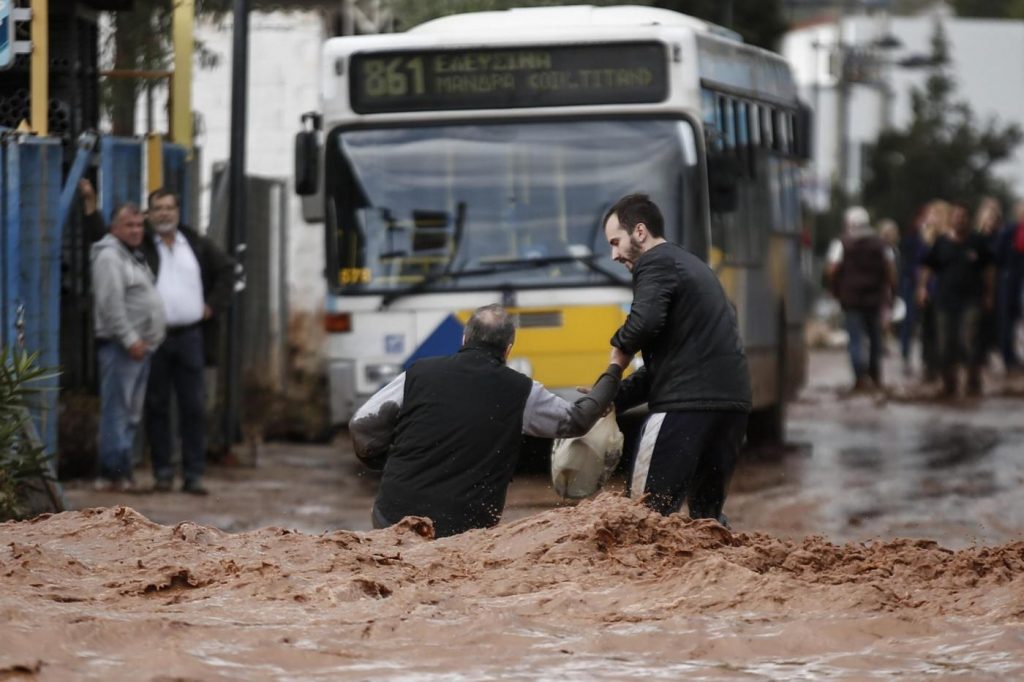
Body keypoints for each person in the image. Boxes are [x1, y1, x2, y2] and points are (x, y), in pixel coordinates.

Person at [349, 304, 627, 538]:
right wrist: (613, 371)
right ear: (508, 349)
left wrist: (383, 464)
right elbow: (576, 421)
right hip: (466, 529)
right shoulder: (521, 391)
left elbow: (361, 426)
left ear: (464, 339)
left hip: (391, 518)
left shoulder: (418, 373)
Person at [603, 193, 750, 525]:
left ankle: (639, 579)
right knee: (706, 521)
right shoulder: (692, 266)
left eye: (615, 242)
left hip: (685, 407)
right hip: (731, 406)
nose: (613, 255)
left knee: (642, 519)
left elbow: (645, 322)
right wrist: (614, 398)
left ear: (639, 232)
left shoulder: (654, 262)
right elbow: (669, 364)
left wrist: (617, 353)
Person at [141, 188, 234, 495]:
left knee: (193, 406)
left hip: (191, 336)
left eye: (169, 207)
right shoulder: (142, 245)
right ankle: (163, 473)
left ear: (178, 211)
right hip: (156, 337)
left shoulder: (194, 243)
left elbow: (227, 270)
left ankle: (193, 474)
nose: (164, 213)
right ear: (150, 213)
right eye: (158, 208)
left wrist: (212, 305)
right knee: (157, 406)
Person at [90, 203, 166, 491]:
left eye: (138, 225)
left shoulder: (132, 256)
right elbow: (111, 305)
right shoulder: (109, 257)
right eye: (129, 225)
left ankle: (122, 472)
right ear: (114, 228)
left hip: (140, 348)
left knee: (130, 414)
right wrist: (130, 338)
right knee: (117, 411)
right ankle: (111, 473)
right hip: (121, 347)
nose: (136, 230)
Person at [918, 204, 994, 397]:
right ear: (951, 220)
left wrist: (989, 294)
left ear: (968, 220)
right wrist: (922, 289)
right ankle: (948, 383)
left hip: (972, 299)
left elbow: (989, 269)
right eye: (956, 217)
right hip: (944, 300)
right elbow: (928, 267)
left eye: (963, 217)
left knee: (968, 339)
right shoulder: (941, 243)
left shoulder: (978, 242)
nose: (960, 221)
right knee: (944, 344)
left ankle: (973, 381)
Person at [825, 206, 897, 391]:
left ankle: (860, 377)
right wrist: (890, 292)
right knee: (875, 338)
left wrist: (835, 289)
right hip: (874, 298)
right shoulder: (881, 245)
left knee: (855, 339)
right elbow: (890, 270)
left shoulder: (841, 244)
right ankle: (875, 375)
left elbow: (832, 270)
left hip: (851, 299)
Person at [993, 200, 1024, 374]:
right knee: (1008, 321)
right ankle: (1008, 357)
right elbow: (998, 257)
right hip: (1009, 281)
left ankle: (1016, 356)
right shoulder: (1009, 232)